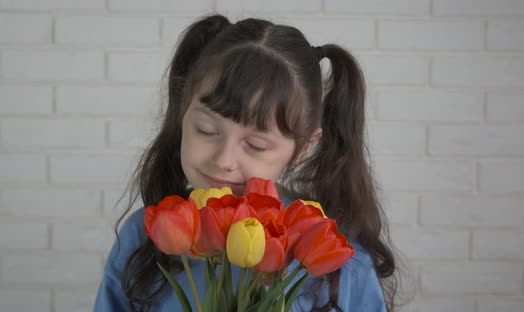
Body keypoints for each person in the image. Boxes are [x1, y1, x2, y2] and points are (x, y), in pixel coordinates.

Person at [94, 14, 399, 312]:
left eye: (255, 145)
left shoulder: (333, 251)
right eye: (206, 130)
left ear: (304, 147)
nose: (223, 160)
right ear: (181, 113)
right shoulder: (146, 236)